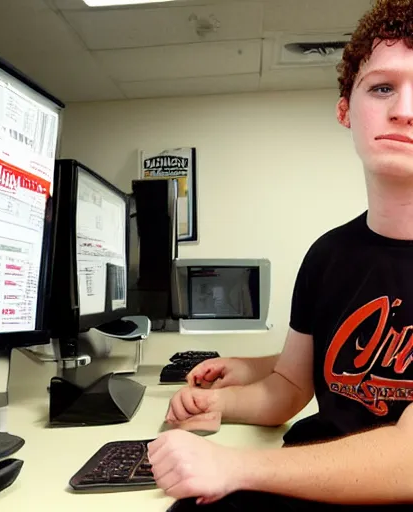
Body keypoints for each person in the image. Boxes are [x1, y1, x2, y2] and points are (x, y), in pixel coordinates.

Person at [147, 0, 413, 510]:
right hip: (306, 475)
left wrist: (233, 466)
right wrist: (218, 405)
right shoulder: (328, 256)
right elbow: (289, 387)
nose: (403, 109)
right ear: (344, 109)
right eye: (382, 87)